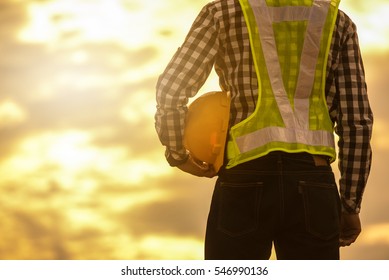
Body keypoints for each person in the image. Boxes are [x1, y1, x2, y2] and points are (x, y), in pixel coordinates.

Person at [155, 0, 373, 260]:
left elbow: (171, 89)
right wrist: (350, 203)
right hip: (313, 182)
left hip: (244, 178)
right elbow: (356, 121)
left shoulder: (222, 12)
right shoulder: (337, 22)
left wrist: (177, 152)